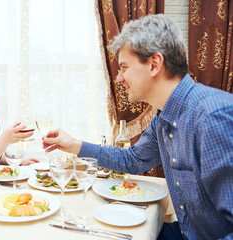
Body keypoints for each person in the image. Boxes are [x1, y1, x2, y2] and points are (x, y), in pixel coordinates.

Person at [42, 14, 233, 240]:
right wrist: (75, 145)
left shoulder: (212, 116)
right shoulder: (164, 117)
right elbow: (133, 160)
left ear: (154, 64)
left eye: (124, 67)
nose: (119, 78)